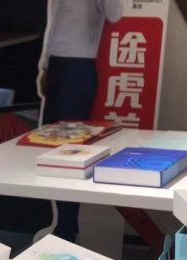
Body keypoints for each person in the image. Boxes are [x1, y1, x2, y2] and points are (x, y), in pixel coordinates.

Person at [38, 0, 123, 242]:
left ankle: (66, 228)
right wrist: (45, 67)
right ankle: (63, 223)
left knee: (70, 151)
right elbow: (54, 24)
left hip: (79, 66)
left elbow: (115, 14)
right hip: (56, 65)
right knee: (51, 147)